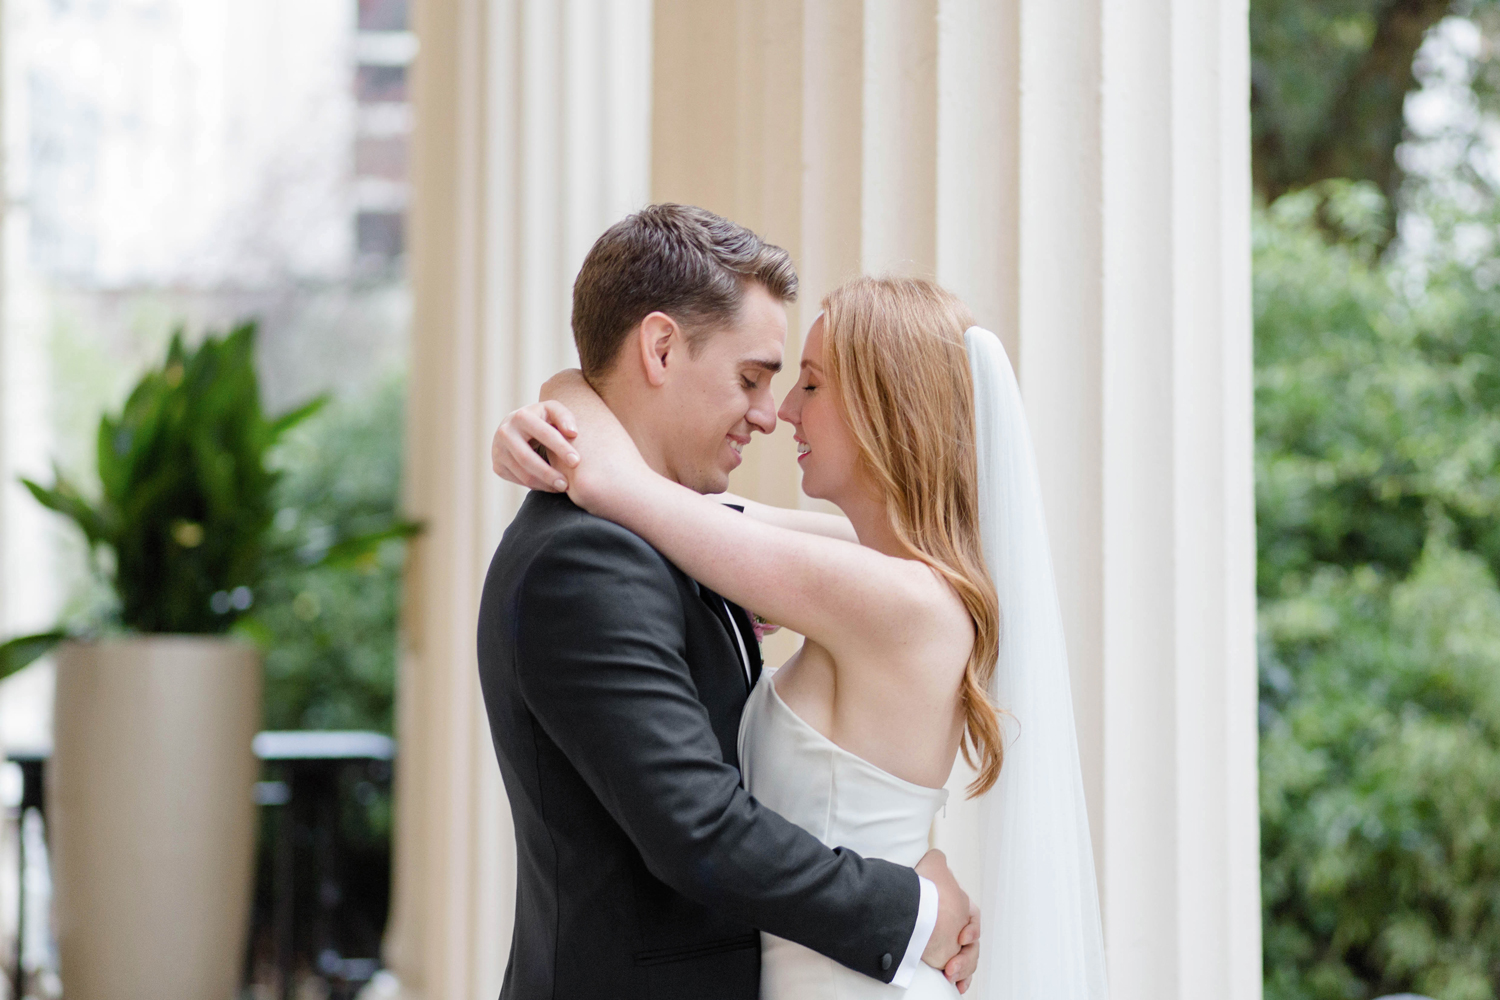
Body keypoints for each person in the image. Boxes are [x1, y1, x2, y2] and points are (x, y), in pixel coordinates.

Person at [497, 268, 1113, 1000]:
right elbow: (662, 499)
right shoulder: (870, 570)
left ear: (890, 411)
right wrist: (560, 401)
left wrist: (552, 421)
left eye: (811, 385)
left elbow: (615, 485)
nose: (784, 410)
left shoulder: (891, 597)